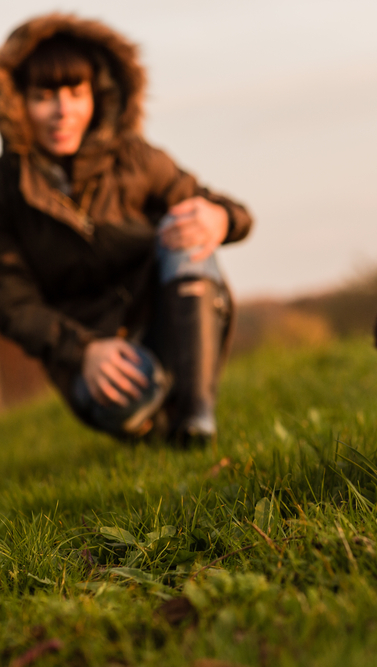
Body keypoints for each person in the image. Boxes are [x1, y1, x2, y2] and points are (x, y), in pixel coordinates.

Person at [0, 14, 253, 444]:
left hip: (165, 317)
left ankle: (196, 415)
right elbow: (12, 303)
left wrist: (219, 219)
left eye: (75, 93)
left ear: (98, 95)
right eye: (44, 96)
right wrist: (84, 352)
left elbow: (233, 211)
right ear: (17, 102)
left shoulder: (137, 159)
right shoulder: (6, 192)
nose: (63, 112)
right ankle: (150, 425)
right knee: (130, 403)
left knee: (187, 225)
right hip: (87, 350)